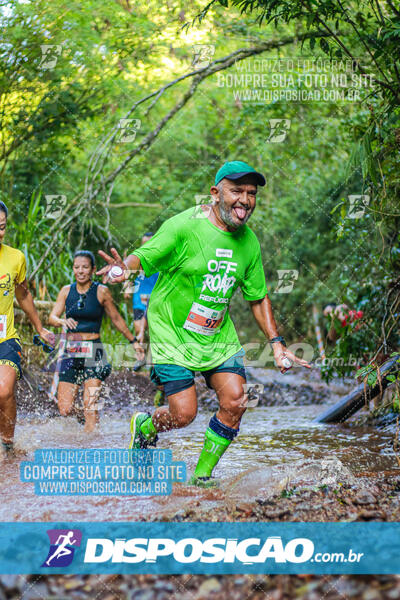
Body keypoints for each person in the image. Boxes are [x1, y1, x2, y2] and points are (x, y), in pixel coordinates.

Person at [98, 160, 310, 486]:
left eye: (251, 193)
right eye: (236, 191)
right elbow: (147, 253)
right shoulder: (185, 226)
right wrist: (123, 268)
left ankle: (202, 475)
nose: (245, 200)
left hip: (217, 335)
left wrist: (276, 343)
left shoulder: (249, 243)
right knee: (183, 414)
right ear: (215, 193)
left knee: (236, 399)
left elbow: (257, 296)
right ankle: (144, 426)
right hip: (172, 331)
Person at [49, 250, 141, 432]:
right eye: (77, 267)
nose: (80, 271)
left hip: (94, 352)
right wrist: (61, 321)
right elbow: (52, 316)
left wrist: (134, 341)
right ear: (73, 269)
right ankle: (85, 418)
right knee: (65, 409)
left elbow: (116, 319)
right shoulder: (66, 291)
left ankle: (92, 448)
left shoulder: (101, 291)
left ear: (93, 270)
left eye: (85, 267)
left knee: (90, 406)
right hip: (71, 352)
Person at [0, 201, 55, 454]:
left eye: (2, 227)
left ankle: (7, 444)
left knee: (3, 391)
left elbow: (23, 296)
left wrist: (40, 327)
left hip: (5, 337)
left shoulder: (15, 257)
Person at [123, 233, 159, 372]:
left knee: (153, 331)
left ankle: (156, 361)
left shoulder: (160, 259)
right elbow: (130, 276)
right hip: (139, 299)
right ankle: (140, 357)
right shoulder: (137, 259)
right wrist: (127, 288)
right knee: (139, 328)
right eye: (144, 243)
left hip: (155, 300)